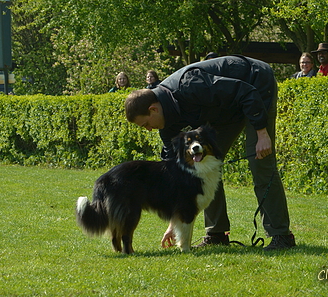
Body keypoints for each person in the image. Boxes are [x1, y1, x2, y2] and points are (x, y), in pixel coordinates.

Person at [125, 55, 296, 251]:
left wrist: (262, 133)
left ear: (153, 109)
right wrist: (174, 221)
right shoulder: (167, 126)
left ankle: (281, 235)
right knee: (203, 166)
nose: (148, 129)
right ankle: (216, 233)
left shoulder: (190, 85)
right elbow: (176, 176)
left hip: (254, 84)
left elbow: (245, 92)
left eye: (146, 124)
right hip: (226, 108)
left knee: (260, 163)